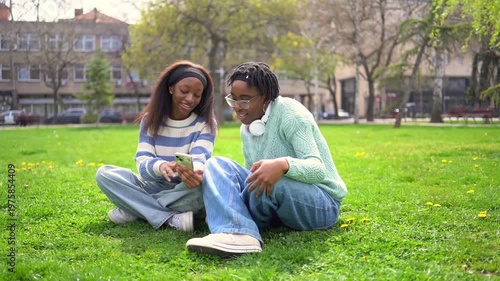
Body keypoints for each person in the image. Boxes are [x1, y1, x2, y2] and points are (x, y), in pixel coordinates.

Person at [186, 62, 347, 256]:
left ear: (267, 98)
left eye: (245, 99)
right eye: (233, 99)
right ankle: (235, 231)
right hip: (277, 200)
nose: (238, 106)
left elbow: (317, 169)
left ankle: (236, 229)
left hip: (321, 204)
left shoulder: (291, 113)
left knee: (270, 180)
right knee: (215, 164)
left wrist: (283, 165)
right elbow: (252, 180)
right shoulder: (247, 128)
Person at [95, 60, 217, 232]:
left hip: (184, 189)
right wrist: (162, 166)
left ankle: (136, 208)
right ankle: (169, 218)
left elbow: (200, 158)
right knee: (104, 174)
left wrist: (193, 171)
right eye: (184, 91)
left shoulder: (205, 124)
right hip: (152, 185)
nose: (190, 99)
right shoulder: (150, 120)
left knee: (204, 189)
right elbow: (143, 161)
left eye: (197, 95)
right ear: (171, 88)